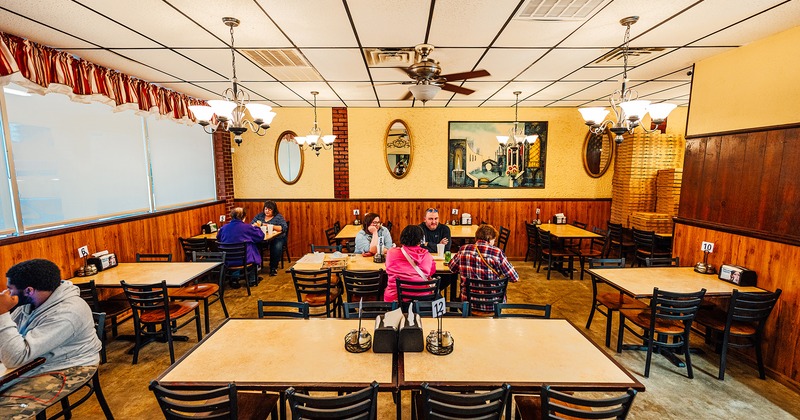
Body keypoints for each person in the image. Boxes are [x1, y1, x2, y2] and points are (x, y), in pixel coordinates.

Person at [0, 259, 102, 417]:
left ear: (29, 290)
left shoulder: (68, 312)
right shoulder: (32, 303)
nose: (7, 295)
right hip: (35, 361)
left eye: (10, 290)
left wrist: (2, 313)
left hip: (70, 366)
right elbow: (11, 339)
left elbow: (16, 357)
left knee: (4, 412)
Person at [448, 224, 519, 313]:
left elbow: (451, 268)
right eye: (494, 240)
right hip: (493, 305)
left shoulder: (463, 250)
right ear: (490, 239)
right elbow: (514, 277)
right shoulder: (497, 253)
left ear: (476, 237)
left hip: (468, 304)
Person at [383, 225, 437, 302]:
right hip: (422, 298)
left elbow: (387, 267)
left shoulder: (391, 253)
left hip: (396, 299)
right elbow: (431, 271)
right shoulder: (426, 255)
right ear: (420, 240)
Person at [218, 207, 264, 285]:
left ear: (231, 216)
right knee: (252, 249)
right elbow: (260, 236)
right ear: (244, 217)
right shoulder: (247, 227)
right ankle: (252, 280)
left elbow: (218, 238)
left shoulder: (223, 228)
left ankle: (234, 278)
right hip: (244, 259)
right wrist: (257, 227)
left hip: (227, 259)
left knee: (235, 252)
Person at [250, 200, 288, 276]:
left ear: (274, 210)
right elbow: (252, 224)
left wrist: (270, 226)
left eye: (269, 210)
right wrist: (255, 225)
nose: (267, 211)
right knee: (252, 244)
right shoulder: (259, 216)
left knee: (276, 247)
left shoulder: (278, 217)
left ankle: (273, 267)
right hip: (261, 237)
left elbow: (283, 227)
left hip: (277, 237)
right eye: (266, 209)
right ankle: (255, 266)